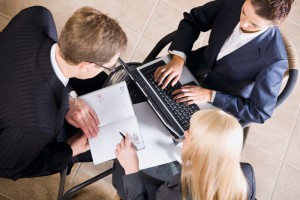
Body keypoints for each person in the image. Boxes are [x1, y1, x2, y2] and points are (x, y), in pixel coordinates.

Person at [0, 6, 127, 180]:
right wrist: (70, 148)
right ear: (86, 65)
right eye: (109, 66)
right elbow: (7, 167)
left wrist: (70, 98)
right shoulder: (40, 124)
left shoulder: (37, 16)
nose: (110, 69)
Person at [153, 0, 294, 124]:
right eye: (244, 12)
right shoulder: (232, 3)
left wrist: (210, 95)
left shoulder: (275, 60)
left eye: (254, 24)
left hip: (218, 104)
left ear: (274, 25)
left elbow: (259, 112)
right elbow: (193, 20)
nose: (243, 23)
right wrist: (179, 57)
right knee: (147, 92)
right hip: (187, 68)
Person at [112, 109, 256, 200]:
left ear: (199, 151)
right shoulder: (247, 174)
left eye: (190, 134)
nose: (185, 133)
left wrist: (131, 169)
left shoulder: (176, 194)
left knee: (121, 168)